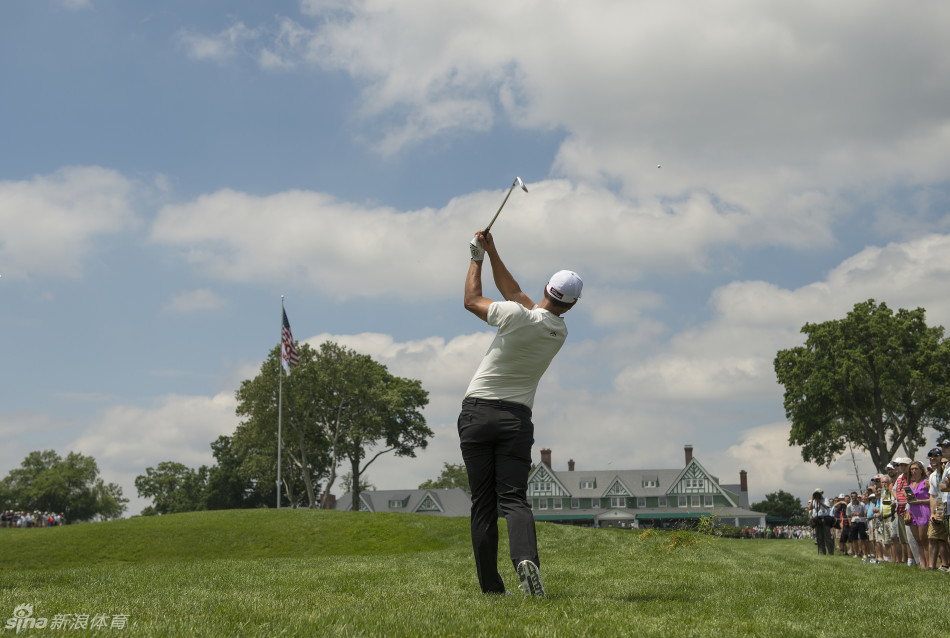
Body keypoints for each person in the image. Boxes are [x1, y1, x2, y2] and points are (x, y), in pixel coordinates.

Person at [459, 229, 583, 597]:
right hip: (516, 420)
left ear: (546, 288)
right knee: (513, 498)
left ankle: (491, 589)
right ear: (571, 305)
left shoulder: (515, 315)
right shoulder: (558, 332)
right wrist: (494, 251)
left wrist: (475, 257)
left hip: (478, 412)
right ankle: (526, 560)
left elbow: (471, 300)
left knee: (483, 503)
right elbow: (513, 292)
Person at [925, 447, 950, 570]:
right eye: (931, 457)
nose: (932, 459)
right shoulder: (933, 476)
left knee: (948, 537)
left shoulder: (948, 471)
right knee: (935, 536)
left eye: (935, 456)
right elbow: (933, 496)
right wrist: (932, 513)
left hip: (948, 505)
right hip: (939, 508)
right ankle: (940, 565)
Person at [907, 460, 932, 569]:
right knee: (918, 540)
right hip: (912, 512)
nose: (913, 471)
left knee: (924, 539)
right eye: (912, 469)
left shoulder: (926, 482)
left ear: (921, 470)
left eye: (916, 469)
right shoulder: (911, 484)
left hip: (924, 511)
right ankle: (923, 564)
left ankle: (929, 563)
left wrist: (919, 501)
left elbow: (933, 498)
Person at [807, 489, 834, 555]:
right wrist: (812, 499)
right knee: (819, 537)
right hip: (817, 519)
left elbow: (826, 507)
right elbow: (810, 508)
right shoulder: (814, 501)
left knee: (827, 537)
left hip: (825, 519)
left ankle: (830, 552)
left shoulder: (825, 499)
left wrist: (820, 502)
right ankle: (822, 552)